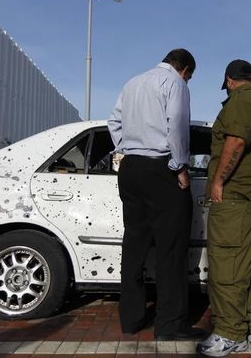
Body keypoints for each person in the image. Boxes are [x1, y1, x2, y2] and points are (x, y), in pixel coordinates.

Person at [108, 48, 204, 341]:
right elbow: (176, 126)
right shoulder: (175, 84)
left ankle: (131, 318)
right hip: (161, 169)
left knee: (134, 244)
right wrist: (180, 167)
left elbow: (114, 122)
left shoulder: (133, 83)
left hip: (131, 168)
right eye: (190, 76)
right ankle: (170, 325)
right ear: (185, 70)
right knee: (171, 249)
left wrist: (126, 149)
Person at [197, 59, 251, 357]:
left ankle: (230, 334)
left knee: (227, 262)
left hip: (238, 194)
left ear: (229, 81)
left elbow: (236, 141)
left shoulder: (240, 103)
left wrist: (218, 180)